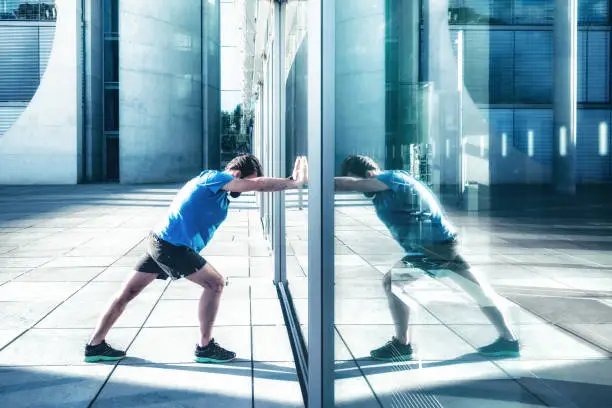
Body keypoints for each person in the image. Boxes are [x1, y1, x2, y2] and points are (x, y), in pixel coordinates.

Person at [84, 154, 308, 363]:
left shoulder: (217, 190)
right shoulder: (214, 177)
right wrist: (292, 182)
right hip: (172, 246)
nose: (247, 189)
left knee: (128, 292)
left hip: (161, 240)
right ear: (238, 174)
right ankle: (205, 347)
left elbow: (257, 185)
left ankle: (95, 346)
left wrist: (282, 182)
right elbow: (259, 184)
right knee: (215, 283)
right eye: (247, 182)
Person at [335, 155, 520, 361]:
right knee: (477, 290)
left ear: (369, 174)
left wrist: (309, 180)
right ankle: (509, 340)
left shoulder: (392, 179)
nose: (360, 190)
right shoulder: (385, 189)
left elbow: (347, 183)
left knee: (392, 283)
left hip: (431, 249)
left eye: (360, 184)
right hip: (440, 245)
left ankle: (402, 345)